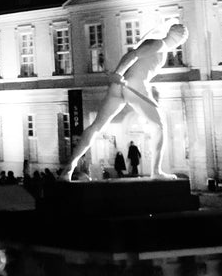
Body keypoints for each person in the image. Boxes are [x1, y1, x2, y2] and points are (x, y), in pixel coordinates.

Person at [65, 24, 188, 180]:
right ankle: (156, 171)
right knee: (159, 126)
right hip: (133, 85)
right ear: (178, 39)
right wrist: (118, 73)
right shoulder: (159, 44)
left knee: (97, 126)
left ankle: (68, 170)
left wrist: (118, 76)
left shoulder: (158, 45)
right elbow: (132, 55)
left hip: (120, 87)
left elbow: (136, 60)